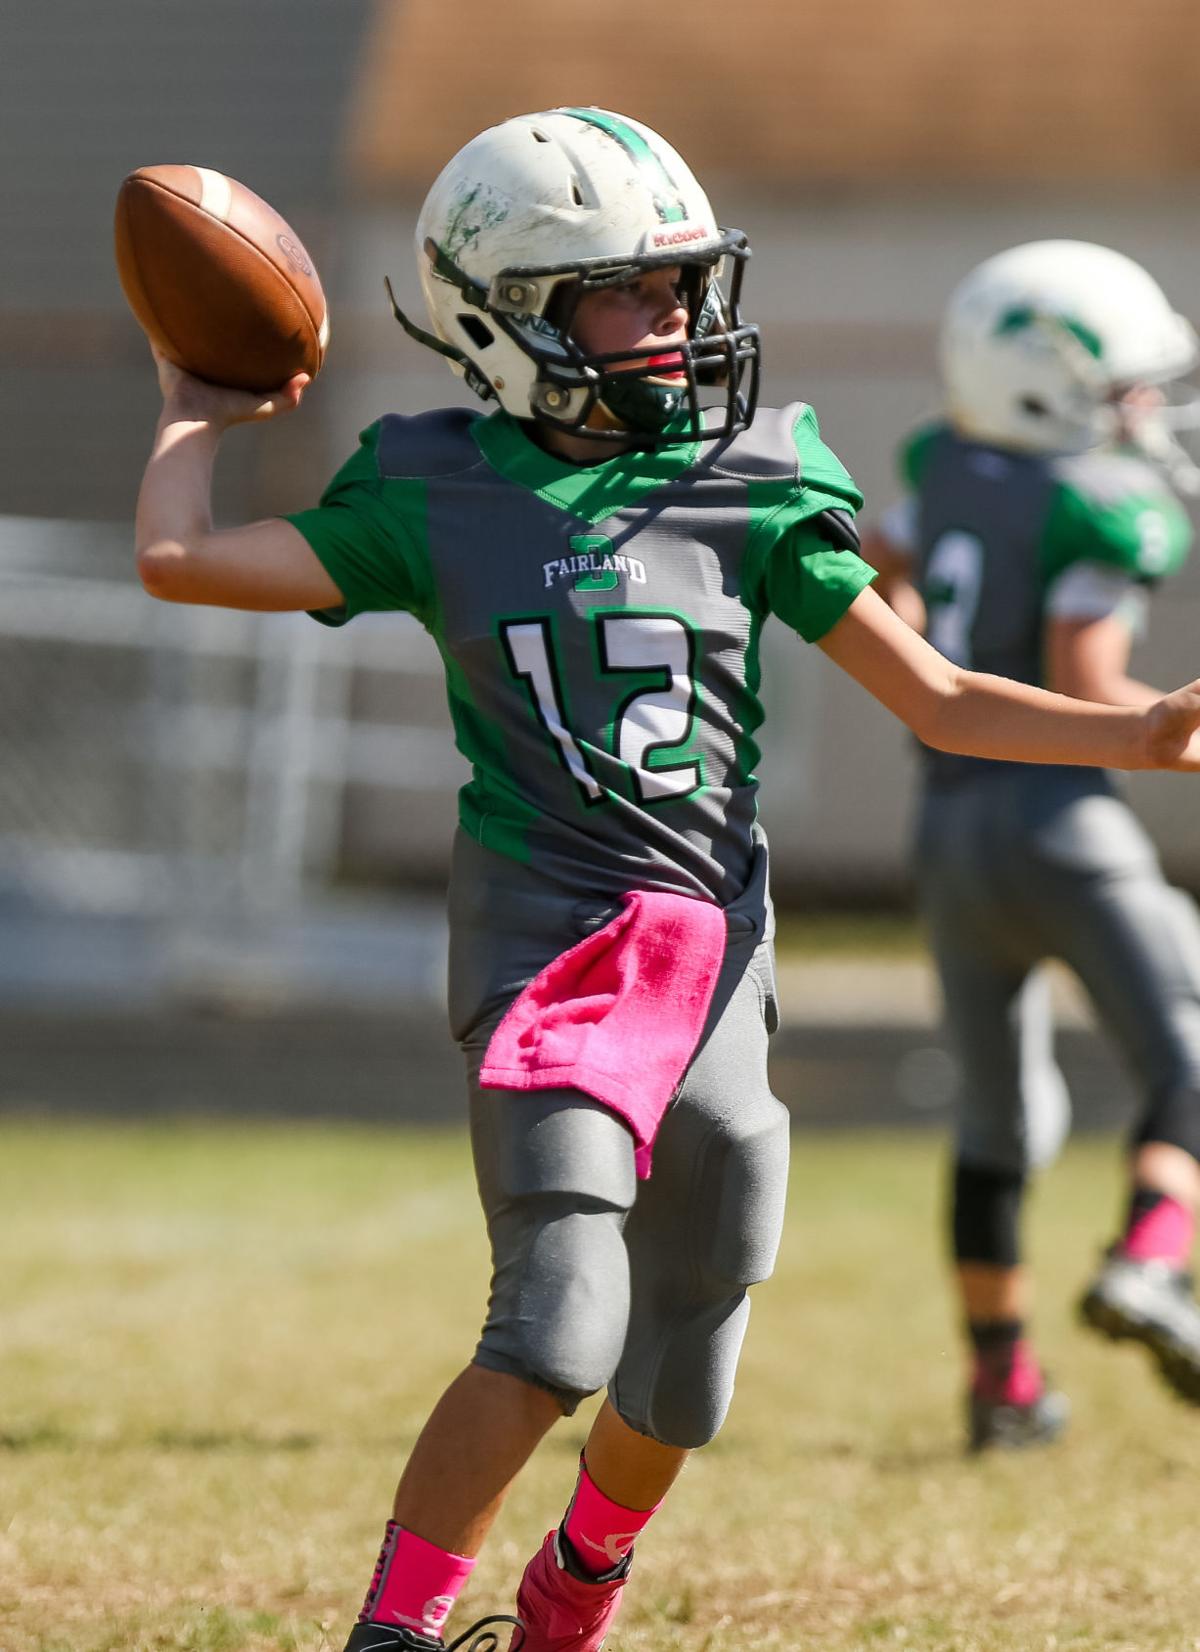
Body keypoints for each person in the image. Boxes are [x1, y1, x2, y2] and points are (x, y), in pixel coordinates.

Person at [135, 111, 1200, 1649]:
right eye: (631, 293)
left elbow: (941, 697)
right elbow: (180, 562)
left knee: (689, 1357)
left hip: (710, 954)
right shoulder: (436, 488)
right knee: (556, 1323)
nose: (677, 321)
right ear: (511, 315)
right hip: (548, 949)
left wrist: (1141, 735)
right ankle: (396, 1631)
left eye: (683, 285)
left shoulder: (748, 478)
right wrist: (196, 409)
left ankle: (575, 1590)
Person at [862, 239, 1200, 1454]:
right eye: (1123, 387)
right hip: (1058, 824)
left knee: (995, 1121)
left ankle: (1001, 1380)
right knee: (1189, 1053)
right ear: (1047, 387)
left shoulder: (947, 463)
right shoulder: (1096, 505)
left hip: (948, 826)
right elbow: (1085, 679)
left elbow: (881, 563)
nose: (1144, 408)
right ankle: (1153, 1260)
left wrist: (929, 670)